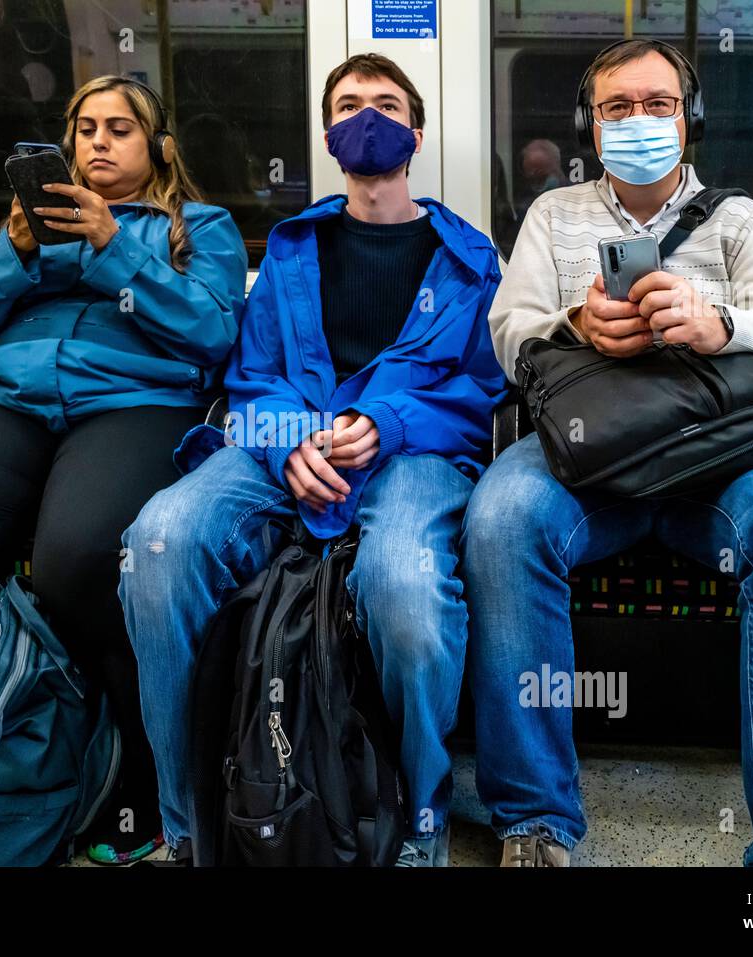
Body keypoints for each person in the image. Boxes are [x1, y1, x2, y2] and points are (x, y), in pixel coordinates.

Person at [464, 39, 753, 867]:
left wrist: (718, 325)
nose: (638, 120)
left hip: (726, 456)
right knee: (501, 517)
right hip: (589, 455)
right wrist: (575, 323)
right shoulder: (553, 216)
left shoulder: (742, 220)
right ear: (589, 123)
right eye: (617, 107)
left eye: (658, 104)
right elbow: (508, 337)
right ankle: (534, 820)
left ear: (691, 119)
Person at [119, 53, 506, 867]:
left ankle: (418, 827)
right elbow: (252, 378)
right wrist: (288, 435)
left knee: (403, 584)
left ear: (417, 132)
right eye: (350, 105)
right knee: (160, 540)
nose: (369, 118)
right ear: (331, 134)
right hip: (279, 446)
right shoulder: (292, 250)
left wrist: (389, 422)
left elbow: (481, 392)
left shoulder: (470, 262)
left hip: (412, 453)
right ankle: (188, 825)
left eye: (388, 104)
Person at [0, 75, 248, 866]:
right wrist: (14, 250)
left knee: (84, 557)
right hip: (12, 398)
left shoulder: (199, 225)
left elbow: (210, 332)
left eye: (120, 129)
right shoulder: (25, 231)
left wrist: (113, 246)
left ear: (158, 148)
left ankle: (128, 755)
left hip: (134, 403)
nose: (98, 142)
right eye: (84, 129)